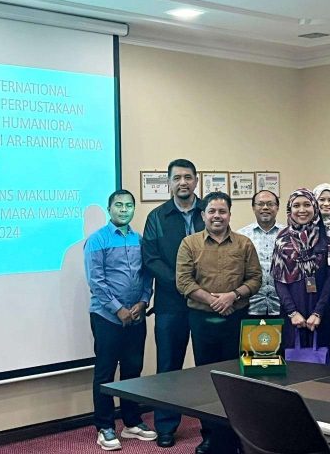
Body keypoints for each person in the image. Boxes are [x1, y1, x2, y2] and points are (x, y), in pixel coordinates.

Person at [176, 191, 262, 454]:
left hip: (236, 320)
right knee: (208, 379)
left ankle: (238, 436)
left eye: (222, 211)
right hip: (202, 320)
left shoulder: (244, 244)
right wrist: (213, 301)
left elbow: (255, 279)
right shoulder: (189, 243)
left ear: (229, 214)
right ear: (203, 215)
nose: (217, 216)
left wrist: (232, 296)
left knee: (237, 379)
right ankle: (210, 435)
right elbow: (184, 281)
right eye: (212, 211)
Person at [84, 190, 156, 451]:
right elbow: (96, 282)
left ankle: (131, 421)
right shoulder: (97, 241)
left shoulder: (139, 240)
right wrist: (118, 309)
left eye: (128, 205)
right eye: (118, 205)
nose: (123, 209)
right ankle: (104, 427)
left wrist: (142, 302)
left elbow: (148, 274)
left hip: (136, 316)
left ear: (133, 209)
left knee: (132, 370)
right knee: (105, 372)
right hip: (106, 318)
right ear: (109, 208)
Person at [141, 159, 205, 447]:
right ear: (169, 183)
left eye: (188, 177)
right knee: (169, 367)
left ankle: (213, 430)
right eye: (177, 177)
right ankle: (166, 426)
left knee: (209, 367)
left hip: (208, 304)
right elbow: (151, 258)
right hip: (170, 304)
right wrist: (184, 286)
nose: (183, 182)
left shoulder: (210, 211)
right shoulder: (157, 216)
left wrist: (202, 291)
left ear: (196, 181)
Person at [271, 189, 330, 362]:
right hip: (294, 312)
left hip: (323, 310)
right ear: (289, 210)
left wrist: (318, 312)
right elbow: (278, 280)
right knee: (294, 365)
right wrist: (292, 312)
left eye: (307, 204)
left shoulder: (328, 236)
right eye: (296, 205)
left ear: (314, 207)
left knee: (326, 366)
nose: (302, 210)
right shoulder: (282, 238)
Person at [237, 189, 284, 319]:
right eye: (260, 204)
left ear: (277, 207)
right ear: (253, 207)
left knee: (283, 340)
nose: (265, 207)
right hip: (250, 305)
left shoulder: (288, 235)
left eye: (270, 204)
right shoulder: (241, 236)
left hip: (283, 306)